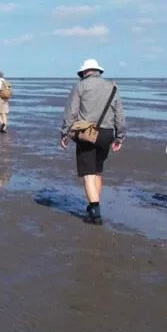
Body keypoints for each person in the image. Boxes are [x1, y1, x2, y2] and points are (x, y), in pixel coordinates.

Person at [59, 59, 126, 225]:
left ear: (84, 72)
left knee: (88, 174)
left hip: (87, 134)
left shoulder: (80, 86)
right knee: (97, 171)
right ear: (98, 71)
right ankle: (93, 205)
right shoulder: (112, 87)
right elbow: (119, 113)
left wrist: (65, 133)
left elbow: (71, 112)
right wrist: (120, 136)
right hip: (107, 134)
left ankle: (95, 212)